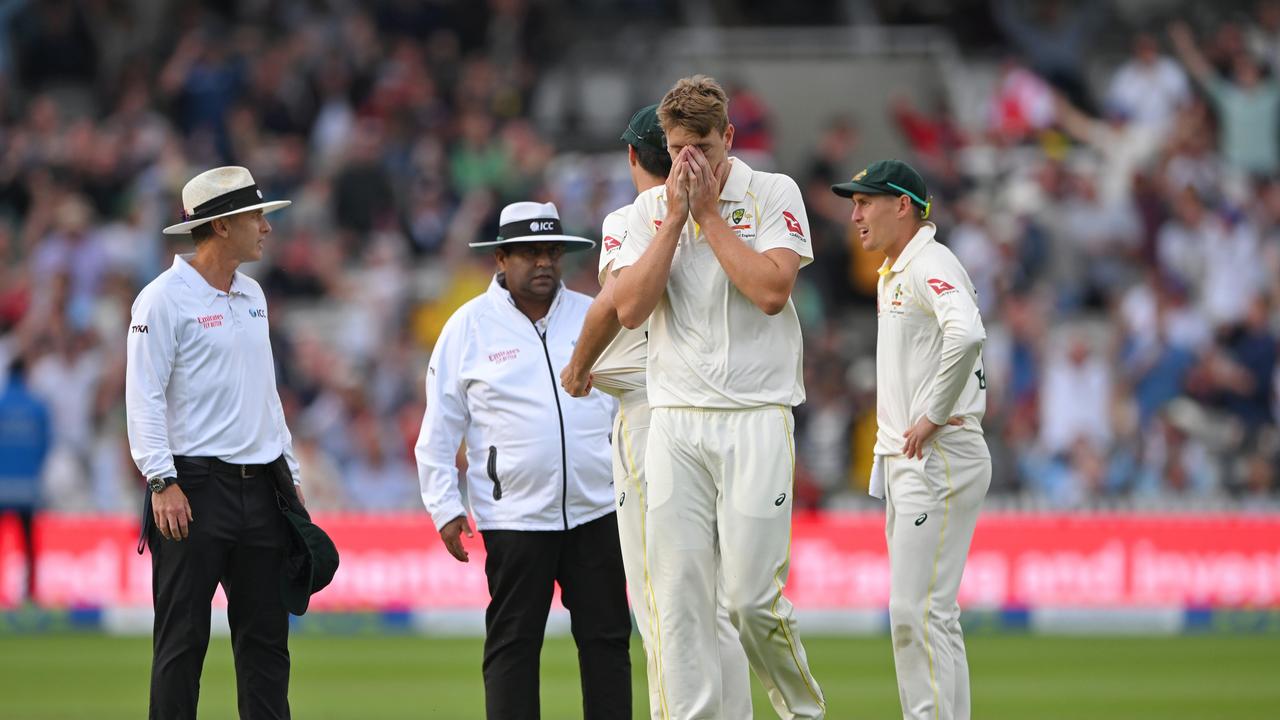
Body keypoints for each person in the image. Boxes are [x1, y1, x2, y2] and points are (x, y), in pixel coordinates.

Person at [611, 75, 826, 719]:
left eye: (702, 145)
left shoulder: (771, 192)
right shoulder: (641, 216)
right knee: (678, 603)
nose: (689, 162)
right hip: (675, 422)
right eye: (678, 148)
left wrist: (706, 213)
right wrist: (676, 217)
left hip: (756, 415)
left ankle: (801, 710)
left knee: (751, 600)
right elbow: (628, 309)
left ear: (728, 137)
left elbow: (771, 291)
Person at [559, 104, 753, 720]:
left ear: (633, 158)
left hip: (653, 418)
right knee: (716, 602)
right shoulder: (725, 212)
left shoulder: (633, 220)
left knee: (662, 599)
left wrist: (580, 364)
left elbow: (615, 305)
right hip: (723, 413)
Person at [415, 200, 631, 719]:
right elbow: (439, 428)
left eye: (552, 252)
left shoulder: (592, 314)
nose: (544, 263)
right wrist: (444, 506)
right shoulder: (467, 327)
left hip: (597, 511)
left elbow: (629, 403)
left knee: (607, 641)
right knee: (513, 646)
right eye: (530, 253)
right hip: (514, 519)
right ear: (501, 259)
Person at [126, 166, 303, 720]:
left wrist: (290, 477)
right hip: (192, 489)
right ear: (222, 226)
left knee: (267, 648)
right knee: (181, 644)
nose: (265, 228)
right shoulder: (161, 300)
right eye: (256, 217)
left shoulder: (252, 294)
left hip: (263, 487)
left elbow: (265, 393)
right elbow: (144, 395)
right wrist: (162, 479)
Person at [831, 160, 990, 720]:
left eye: (865, 202)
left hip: (940, 454)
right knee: (928, 614)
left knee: (915, 612)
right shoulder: (898, 268)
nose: (854, 215)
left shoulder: (930, 261)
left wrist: (932, 414)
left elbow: (967, 331)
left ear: (903, 205)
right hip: (917, 458)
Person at [0, 356, 51, 604]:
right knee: (29, 544)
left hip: (1, 486)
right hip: (28, 488)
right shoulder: (37, 406)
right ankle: (29, 594)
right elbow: (45, 446)